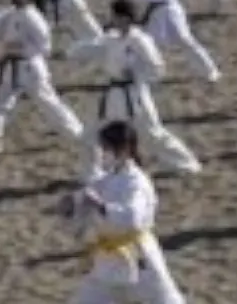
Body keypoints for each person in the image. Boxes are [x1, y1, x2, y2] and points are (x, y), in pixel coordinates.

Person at [69, 0, 202, 182]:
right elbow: (94, 47)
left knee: (152, 134)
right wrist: (74, 50)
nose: (111, 19)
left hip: (134, 96)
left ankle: (186, 163)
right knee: (90, 134)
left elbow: (157, 68)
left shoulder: (140, 40)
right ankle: (91, 174)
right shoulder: (111, 38)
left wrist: (135, 73)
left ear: (124, 18)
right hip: (113, 96)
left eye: (114, 15)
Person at [62, 121, 187, 304]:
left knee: (163, 299)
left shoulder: (137, 182)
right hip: (106, 259)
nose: (103, 153)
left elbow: (132, 217)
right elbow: (87, 197)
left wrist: (102, 206)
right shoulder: (109, 178)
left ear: (125, 149)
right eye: (102, 148)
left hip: (138, 257)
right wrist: (72, 205)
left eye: (106, 148)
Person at [0, 0, 83, 155]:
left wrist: (21, 47)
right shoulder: (10, 13)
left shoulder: (33, 17)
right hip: (10, 66)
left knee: (48, 102)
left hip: (30, 67)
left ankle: (77, 134)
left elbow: (45, 46)